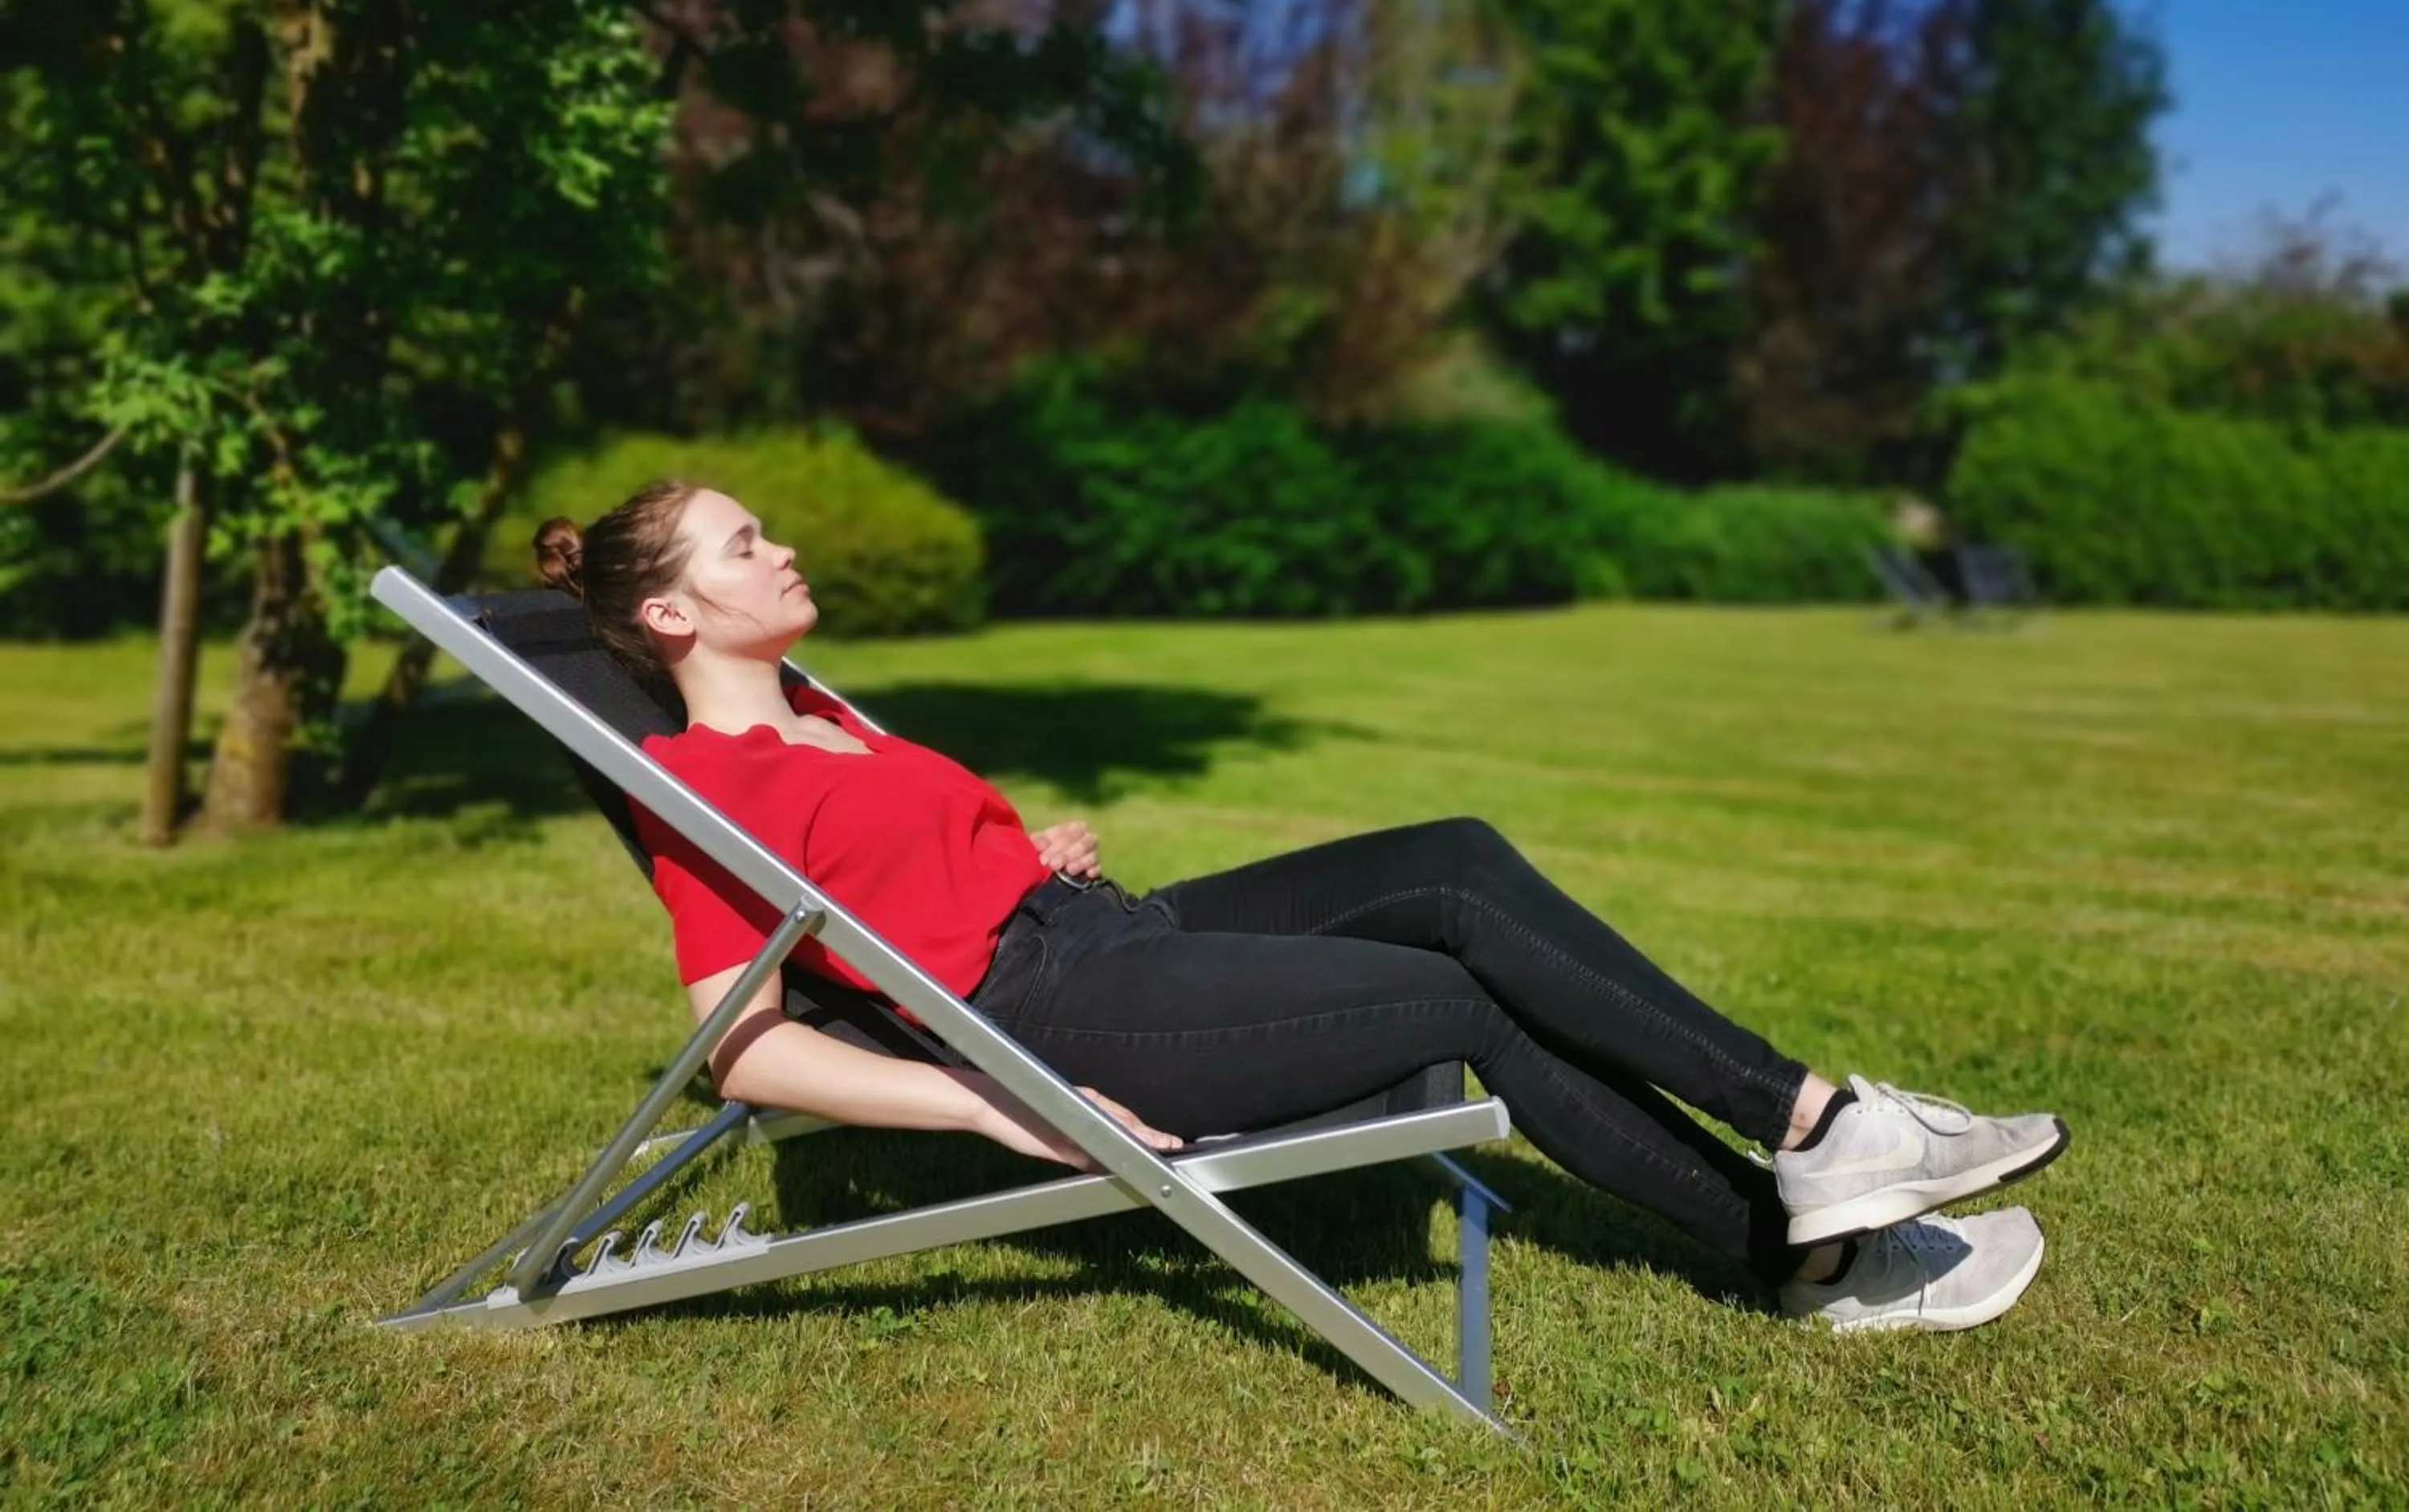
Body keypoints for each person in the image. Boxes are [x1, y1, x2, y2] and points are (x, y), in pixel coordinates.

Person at [534, 482, 2071, 1333]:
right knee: (1456, 998)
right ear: (671, 613)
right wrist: (994, 1108)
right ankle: (1801, 1255)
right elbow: (742, 1048)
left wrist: (1012, 844)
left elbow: (900, 869)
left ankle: (1813, 1123)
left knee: (1454, 862)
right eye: (748, 544)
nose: (785, 542)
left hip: (1100, 929)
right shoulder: (700, 787)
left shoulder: (819, 711)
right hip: (1049, 1020)